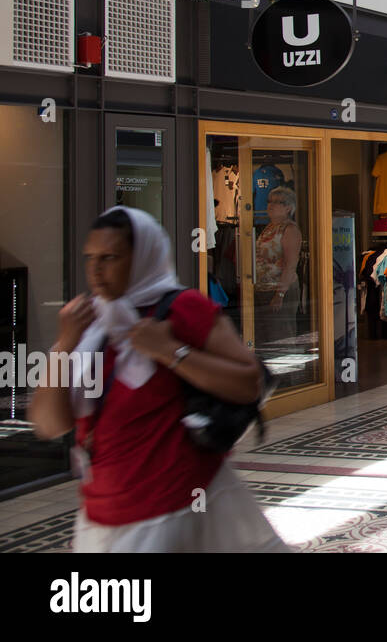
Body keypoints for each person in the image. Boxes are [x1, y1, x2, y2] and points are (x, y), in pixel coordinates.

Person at [29, 206, 287, 552]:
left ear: (141, 258)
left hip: (177, 505)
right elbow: (50, 424)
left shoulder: (181, 308)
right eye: (91, 258)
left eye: (110, 257)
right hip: (105, 512)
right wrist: (64, 343)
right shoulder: (91, 324)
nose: (96, 271)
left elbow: (250, 383)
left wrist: (170, 351)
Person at [255, 185, 302, 341]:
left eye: (277, 202)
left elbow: (290, 264)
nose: (271, 205)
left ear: (288, 207)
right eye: (269, 201)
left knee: (281, 334)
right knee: (266, 335)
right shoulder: (269, 227)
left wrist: (280, 293)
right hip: (263, 289)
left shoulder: (290, 229)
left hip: (280, 290)